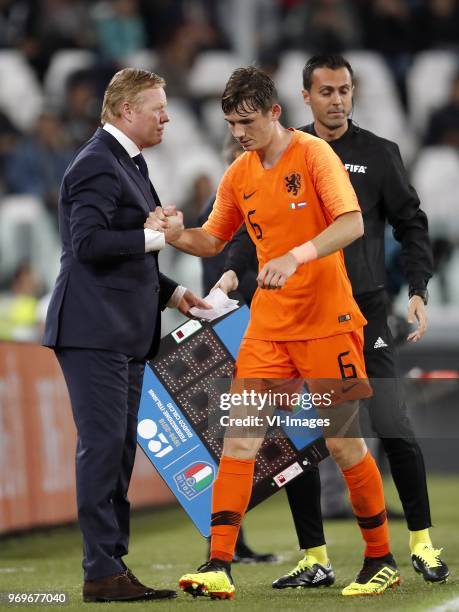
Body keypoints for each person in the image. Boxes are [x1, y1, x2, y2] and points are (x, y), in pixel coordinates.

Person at [147, 66, 400, 599]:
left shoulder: (313, 154)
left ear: (274, 112)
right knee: (239, 441)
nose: (240, 132)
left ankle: (380, 559)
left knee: (344, 444)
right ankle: (219, 563)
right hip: (268, 331)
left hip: (329, 325)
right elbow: (212, 240)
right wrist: (174, 235)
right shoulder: (238, 173)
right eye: (232, 123)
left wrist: (294, 255)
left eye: (248, 121)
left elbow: (351, 222)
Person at [215, 54, 449, 588]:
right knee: (302, 440)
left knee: (391, 424)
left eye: (345, 90)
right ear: (305, 98)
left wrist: (417, 290)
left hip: (364, 309)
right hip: (299, 316)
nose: (337, 100)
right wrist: (232, 273)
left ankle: (421, 542)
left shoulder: (378, 154)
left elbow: (412, 225)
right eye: (326, 91)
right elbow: (252, 232)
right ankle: (314, 555)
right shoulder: (278, 151)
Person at [43, 67, 209, 603]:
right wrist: (150, 235)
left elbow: (133, 250)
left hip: (121, 331)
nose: (166, 116)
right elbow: (88, 244)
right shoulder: (95, 163)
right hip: (93, 331)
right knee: (104, 446)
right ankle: (101, 569)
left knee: (118, 450)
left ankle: (112, 565)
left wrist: (174, 294)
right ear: (123, 111)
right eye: (156, 106)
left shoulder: (126, 162)